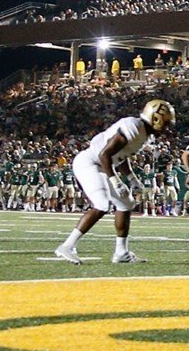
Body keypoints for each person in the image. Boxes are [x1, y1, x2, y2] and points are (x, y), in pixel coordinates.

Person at [55, 100, 174, 264]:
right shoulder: (133, 127)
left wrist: (132, 178)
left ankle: (121, 252)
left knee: (126, 203)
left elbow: (121, 156)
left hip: (102, 166)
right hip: (90, 163)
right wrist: (116, 181)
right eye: (166, 123)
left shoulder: (143, 133)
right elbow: (105, 154)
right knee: (102, 204)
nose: (167, 128)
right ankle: (67, 246)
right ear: (156, 119)